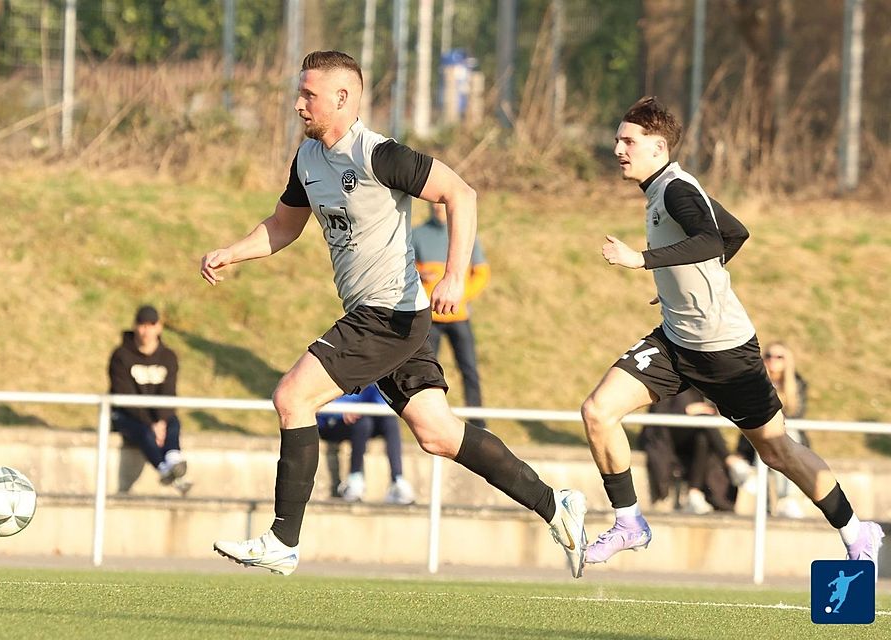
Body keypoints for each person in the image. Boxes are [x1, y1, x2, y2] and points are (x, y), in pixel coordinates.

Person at [201, 50, 586, 577]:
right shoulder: (307, 161)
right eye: (299, 92)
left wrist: (453, 274)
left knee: (292, 397)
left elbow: (461, 193)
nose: (298, 104)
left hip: (389, 315)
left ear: (343, 98)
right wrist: (232, 251)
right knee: (438, 433)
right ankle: (554, 504)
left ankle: (282, 540)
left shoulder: (378, 154)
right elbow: (284, 226)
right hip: (380, 315)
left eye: (308, 95)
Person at [579, 96, 883, 571]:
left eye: (628, 141)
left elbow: (712, 239)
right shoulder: (660, 189)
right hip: (676, 341)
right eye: (618, 139)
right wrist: (684, 286)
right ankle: (629, 523)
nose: (618, 148)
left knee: (777, 450)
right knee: (598, 411)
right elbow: (736, 232)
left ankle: (855, 530)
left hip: (725, 351)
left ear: (658, 148)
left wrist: (643, 260)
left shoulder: (677, 189)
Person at [413, 202, 491, 429]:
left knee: (469, 369)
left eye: (442, 206)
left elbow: (482, 273)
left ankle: (477, 421)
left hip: (459, 316)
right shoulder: (417, 234)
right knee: (428, 371)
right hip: (431, 317)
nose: (438, 210)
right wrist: (419, 274)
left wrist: (461, 295)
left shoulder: (466, 236)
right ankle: (429, 420)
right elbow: (404, 268)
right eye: (435, 206)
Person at [108, 305, 191, 495]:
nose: (146, 331)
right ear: (135, 326)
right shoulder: (121, 356)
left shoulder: (168, 357)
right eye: (142, 325)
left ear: (159, 327)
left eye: (151, 325)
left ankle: (172, 458)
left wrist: (160, 421)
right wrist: (151, 423)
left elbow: (169, 393)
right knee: (145, 432)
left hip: (157, 416)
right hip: (126, 415)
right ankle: (164, 468)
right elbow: (125, 396)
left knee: (173, 422)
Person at [731, 341, 809, 518]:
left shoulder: (797, 385)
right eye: (768, 356)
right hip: (755, 441)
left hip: (788, 437)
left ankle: (786, 499)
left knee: (779, 437)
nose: (773, 361)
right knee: (765, 440)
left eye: (779, 357)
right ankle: (768, 506)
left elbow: (795, 414)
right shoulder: (754, 383)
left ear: (787, 361)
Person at [640, 388, 735, 514]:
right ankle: (731, 461)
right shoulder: (669, 377)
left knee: (703, 437)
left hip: (694, 438)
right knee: (703, 422)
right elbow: (658, 414)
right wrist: (686, 411)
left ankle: (694, 493)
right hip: (666, 437)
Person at [317, 385, 415, 504]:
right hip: (331, 420)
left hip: (362, 416)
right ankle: (354, 479)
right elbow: (316, 398)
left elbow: (379, 399)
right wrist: (341, 413)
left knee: (389, 421)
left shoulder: (367, 368)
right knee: (363, 423)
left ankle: (397, 480)